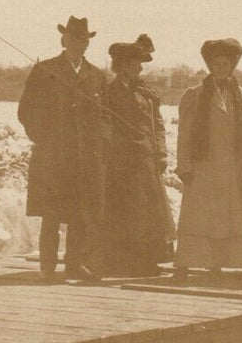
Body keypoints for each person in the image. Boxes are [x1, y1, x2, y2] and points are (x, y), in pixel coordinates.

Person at [18, 15, 108, 281]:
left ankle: (74, 264)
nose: (78, 45)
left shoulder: (97, 76)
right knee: (52, 214)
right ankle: (47, 266)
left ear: (87, 45)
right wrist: (44, 139)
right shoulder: (45, 70)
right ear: (63, 40)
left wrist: (100, 144)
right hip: (53, 157)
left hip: (85, 158)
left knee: (80, 214)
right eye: (73, 39)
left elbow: (106, 117)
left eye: (83, 41)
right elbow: (26, 111)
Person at [172, 38, 242, 277]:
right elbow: (184, 134)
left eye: (225, 64)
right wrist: (185, 165)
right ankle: (185, 263)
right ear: (210, 66)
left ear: (232, 66)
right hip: (202, 167)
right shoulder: (195, 96)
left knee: (225, 217)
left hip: (231, 168)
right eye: (216, 64)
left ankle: (217, 263)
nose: (220, 68)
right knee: (197, 216)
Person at [102, 34, 176, 277]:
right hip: (122, 163)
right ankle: (124, 262)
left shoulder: (146, 94)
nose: (140, 68)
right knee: (127, 212)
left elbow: (158, 125)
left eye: (140, 64)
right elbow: (105, 126)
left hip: (147, 161)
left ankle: (149, 261)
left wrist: (161, 152)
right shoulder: (109, 93)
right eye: (135, 64)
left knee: (150, 213)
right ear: (121, 66)